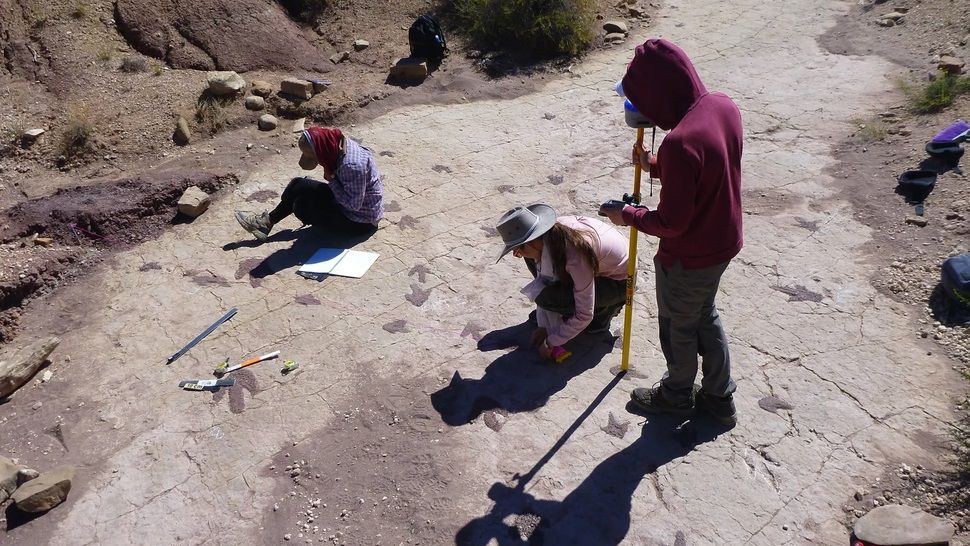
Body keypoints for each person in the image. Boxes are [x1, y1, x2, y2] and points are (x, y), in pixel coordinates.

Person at [600, 38, 743, 426]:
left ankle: (677, 394)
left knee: (678, 327)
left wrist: (628, 214)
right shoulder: (722, 105)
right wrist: (657, 165)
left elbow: (672, 222)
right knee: (703, 317)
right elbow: (707, 165)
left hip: (689, 256)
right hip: (723, 241)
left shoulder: (680, 142)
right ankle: (718, 398)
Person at [496, 204, 629, 361]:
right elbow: (543, 280)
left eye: (518, 249)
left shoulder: (575, 255)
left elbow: (584, 314)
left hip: (619, 283)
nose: (515, 255)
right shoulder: (550, 235)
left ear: (532, 241)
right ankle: (564, 309)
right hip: (595, 268)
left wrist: (551, 341)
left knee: (547, 298)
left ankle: (604, 312)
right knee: (534, 265)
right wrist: (545, 325)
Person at [235, 126, 384, 241]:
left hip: (359, 222)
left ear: (322, 151)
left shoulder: (351, 165)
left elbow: (353, 205)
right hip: (351, 202)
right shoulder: (337, 144)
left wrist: (331, 180)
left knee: (301, 207)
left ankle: (266, 223)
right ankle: (265, 223)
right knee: (299, 185)